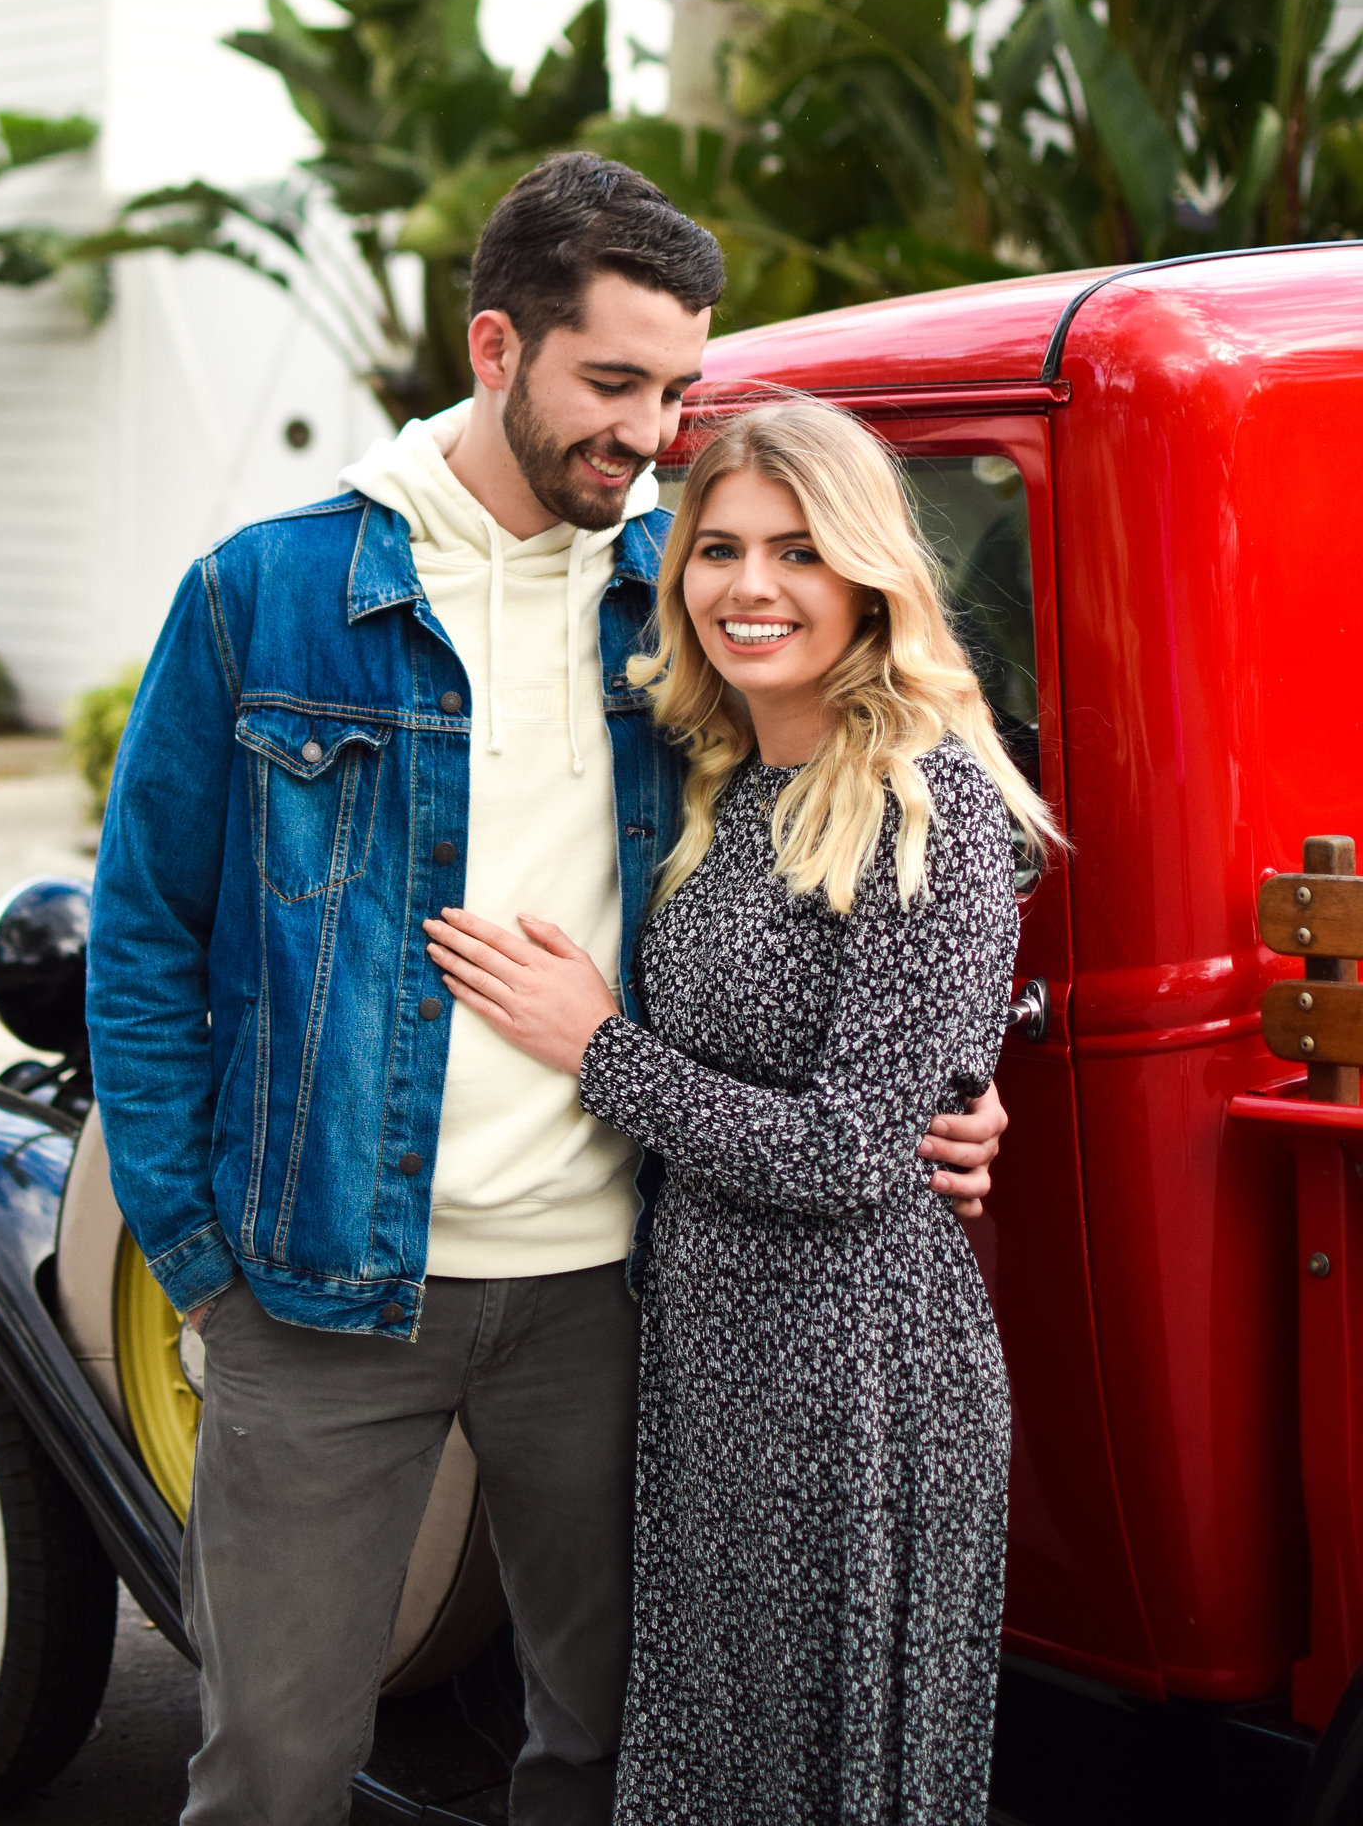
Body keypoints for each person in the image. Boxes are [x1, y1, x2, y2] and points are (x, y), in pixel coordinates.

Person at [85, 157, 1009, 1826]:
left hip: (618, 1288)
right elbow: (143, 940)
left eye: (678, 390)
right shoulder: (266, 592)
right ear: (498, 345)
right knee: (273, 1766)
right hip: (321, 1291)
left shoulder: (677, 595)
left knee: (598, 1750)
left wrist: (945, 1087)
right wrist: (199, 1257)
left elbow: (843, 872)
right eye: (616, 384)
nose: (654, 434)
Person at [427, 399, 1054, 1826]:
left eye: (798, 552)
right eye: (718, 550)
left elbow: (848, 1153)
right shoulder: (729, 783)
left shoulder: (930, 799)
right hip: (711, 1353)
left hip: (856, 1376)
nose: (752, 587)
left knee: (811, 1784)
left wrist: (596, 1046)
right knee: (713, 1769)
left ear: (867, 578)